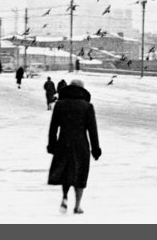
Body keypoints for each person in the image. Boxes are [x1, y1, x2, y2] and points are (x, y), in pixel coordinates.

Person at [47, 79, 101, 215]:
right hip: (80, 143)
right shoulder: (87, 106)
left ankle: (65, 196)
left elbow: (53, 128)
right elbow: (92, 131)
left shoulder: (59, 105)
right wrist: (96, 149)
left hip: (63, 142)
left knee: (66, 171)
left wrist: (52, 145)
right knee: (80, 174)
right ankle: (77, 206)